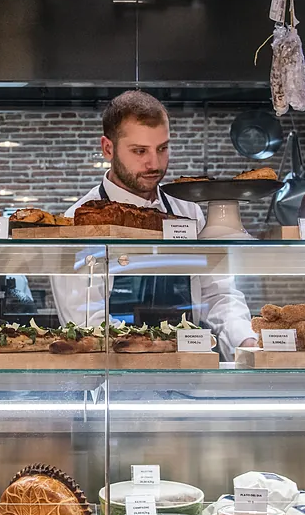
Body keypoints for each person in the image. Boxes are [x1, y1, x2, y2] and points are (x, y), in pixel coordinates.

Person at [50, 90, 256, 360]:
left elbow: (219, 295)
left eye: (162, 148)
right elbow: (87, 321)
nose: (154, 164)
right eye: (139, 151)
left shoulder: (188, 210)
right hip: (118, 372)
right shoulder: (79, 220)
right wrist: (152, 350)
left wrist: (246, 340)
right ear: (108, 148)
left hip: (188, 367)